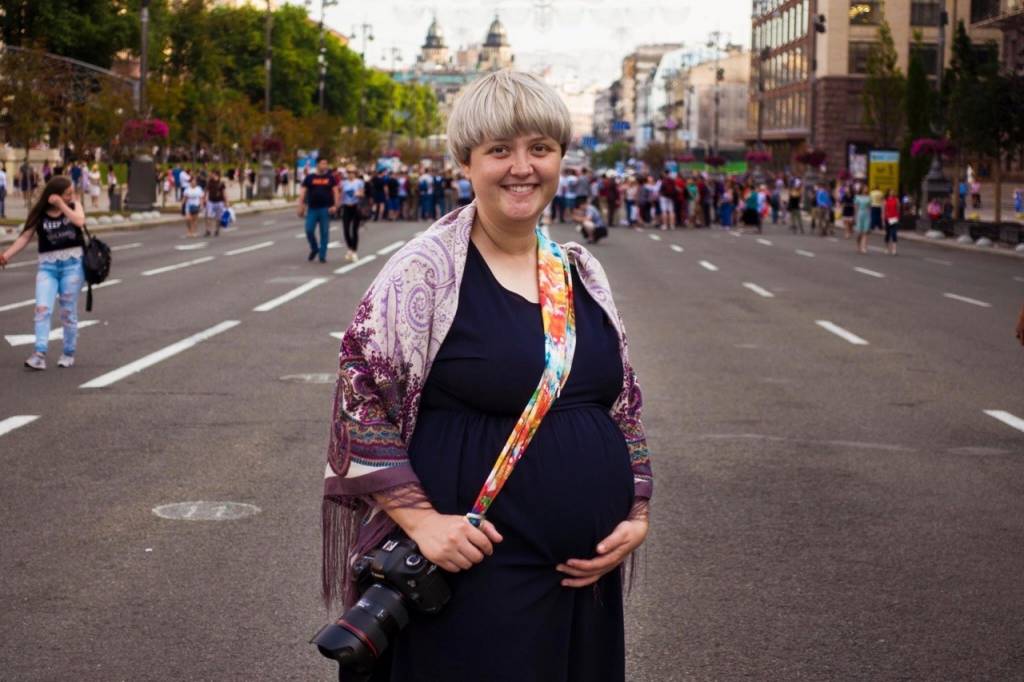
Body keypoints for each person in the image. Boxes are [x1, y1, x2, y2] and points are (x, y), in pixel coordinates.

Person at [321, 69, 652, 682]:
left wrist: (635, 513)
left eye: (540, 149)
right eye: (499, 150)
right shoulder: (426, 269)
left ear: (560, 159)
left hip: (581, 579)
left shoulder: (580, 270)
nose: (521, 167)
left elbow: (621, 403)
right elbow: (359, 392)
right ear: (466, 163)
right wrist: (422, 523)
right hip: (472, 568)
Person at [0, 176, 87, 370]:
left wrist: (63, 205)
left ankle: (68, 352)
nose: (71, 196)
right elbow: (24, 237)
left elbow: (79, 222)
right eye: (67, 194)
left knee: (67, 311)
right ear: (54, 194)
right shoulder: (40, 213)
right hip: (47, 267)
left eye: (71, 193)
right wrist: (6, 255)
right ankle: (39, 353)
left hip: (72, 266)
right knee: (42, 309)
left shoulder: (74, 206)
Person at [298, 157, 339, 263]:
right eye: (322, 163)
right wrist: (300, 206)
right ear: (317, 165)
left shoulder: (330, 178)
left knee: (324, 233)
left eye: (326, 163)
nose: (324, 166)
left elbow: (335, 191)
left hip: (325, 209)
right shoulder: (310, 177)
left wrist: (335, 205)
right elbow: (303, 192)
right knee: (309, 230)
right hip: (312, 208)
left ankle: (322, 255)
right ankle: (314, 248)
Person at [340, 168, 365, 262]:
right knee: (346, 229)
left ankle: (354, 251)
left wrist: (359, 194)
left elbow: (362, 193)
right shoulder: (344, 183)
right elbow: (341, 194)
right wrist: (338, 204)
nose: (350, 174)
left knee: (354, 230)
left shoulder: (359, 182)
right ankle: (350, 248)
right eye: (349, 172)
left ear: (355, 173)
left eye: (352, 172)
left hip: (356, 207)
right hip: (346, 207)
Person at [204, 170, 229, 236]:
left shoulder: (221, 183)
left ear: (216, 175)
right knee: (208, 216)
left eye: (212, 174)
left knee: (218, 217)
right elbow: (206, 191)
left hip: (219, 202)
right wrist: (205, 199)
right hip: (211, 201)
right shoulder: (209, 182)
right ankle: (208, 230)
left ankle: (217, 230)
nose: (211, 175)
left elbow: (224, 193)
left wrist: (226, 202)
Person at [853, 185, 871, 254]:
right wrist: (855, 217)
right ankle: (858, 245)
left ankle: (864, 247)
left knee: (865, 232)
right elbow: (856, 208)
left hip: (867, 215)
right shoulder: (857, 197)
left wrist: (870, 217)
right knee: (859, 233)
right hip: (860, 214)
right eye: (865, 188)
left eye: (867, 188)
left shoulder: (869, 197)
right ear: (862, 189)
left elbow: (869, 208)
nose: (866, 189)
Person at [882, 189, 900, 256]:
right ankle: (886, 248)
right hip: (887, 218)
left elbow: (898, 209)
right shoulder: (885, 200)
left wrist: (897, 217)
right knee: (888, 233)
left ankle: (894, 249)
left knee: (894, 233)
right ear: (888, 193)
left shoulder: (896, 200)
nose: (892, 193)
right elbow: (883, 210)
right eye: (891, 192)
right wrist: (883, 220)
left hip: (894, 218)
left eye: (893, 192)